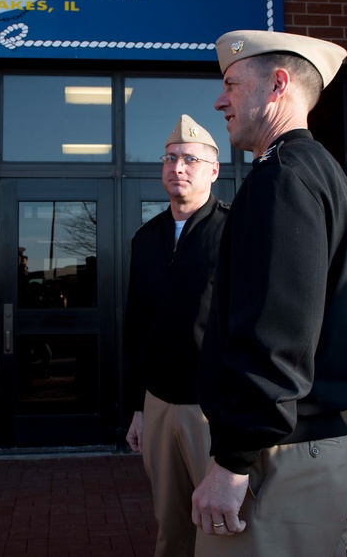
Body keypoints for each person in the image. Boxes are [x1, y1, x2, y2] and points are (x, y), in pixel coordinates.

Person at [191, 30, 347, 556]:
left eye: (232, 84)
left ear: (276, 85)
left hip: (282, 456)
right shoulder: (321, 174)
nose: (219, 99)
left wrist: (230, 463)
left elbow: (277, 337)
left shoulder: (282, 180)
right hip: (306, 445)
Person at [124, 114, 229, 557]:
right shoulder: (146, 238)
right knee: (170, 527)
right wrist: (136, 407)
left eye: (189, 158)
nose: (177, 167)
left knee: (222, 528)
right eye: (170, 158)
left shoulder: (235, 230)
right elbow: (136, 326)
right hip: (158, 406)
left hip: (213, 409)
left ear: (213, 170)